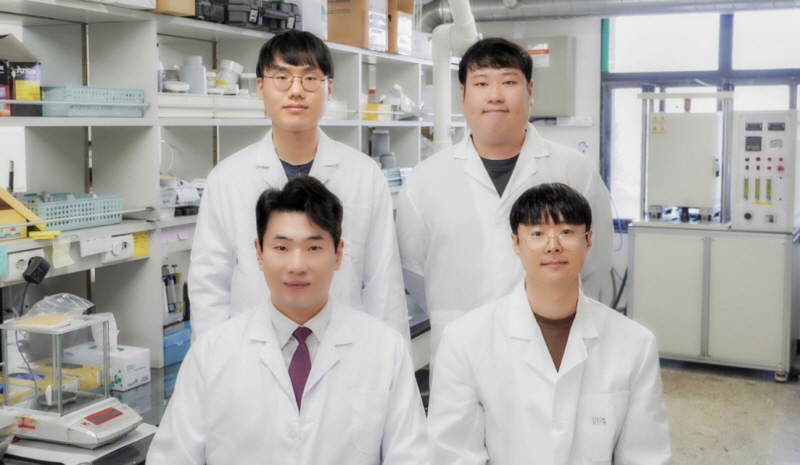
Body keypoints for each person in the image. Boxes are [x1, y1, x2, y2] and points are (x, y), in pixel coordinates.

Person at [147, 177, 428, 465]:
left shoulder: (385, 349)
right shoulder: (212, 352)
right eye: (281, 248)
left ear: (338, 254)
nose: (297, 266)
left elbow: (410, 457)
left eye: (313, 248)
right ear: (259, 254)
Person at [395, 37, 613, 366]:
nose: (495, 95)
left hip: (553, 347)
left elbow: (595, 262)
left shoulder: (574, 171)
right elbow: (414, 272)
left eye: (509, 82)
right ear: (463, 94)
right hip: (463, 355)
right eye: (481, 83)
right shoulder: (425, 181)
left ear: (530, 91)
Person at [427, 182, 670, 465]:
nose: (553, 246)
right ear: (515, 243)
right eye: (537, 234)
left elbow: (645, 455)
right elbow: (454, 455)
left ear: (588, 241)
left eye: (567, 232)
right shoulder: (465, 340)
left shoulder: (635, 343)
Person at [189, 29, 408, 341]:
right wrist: (215, 358)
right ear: (261, 87)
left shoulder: (364, 175)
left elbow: (383, 283)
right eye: (282, 77)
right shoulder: (227, 178)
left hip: (346, 345)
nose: (296, 90)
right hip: (252, 348)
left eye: (309, 78)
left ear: (328, 88)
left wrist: (388, 357)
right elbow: (208, 284)